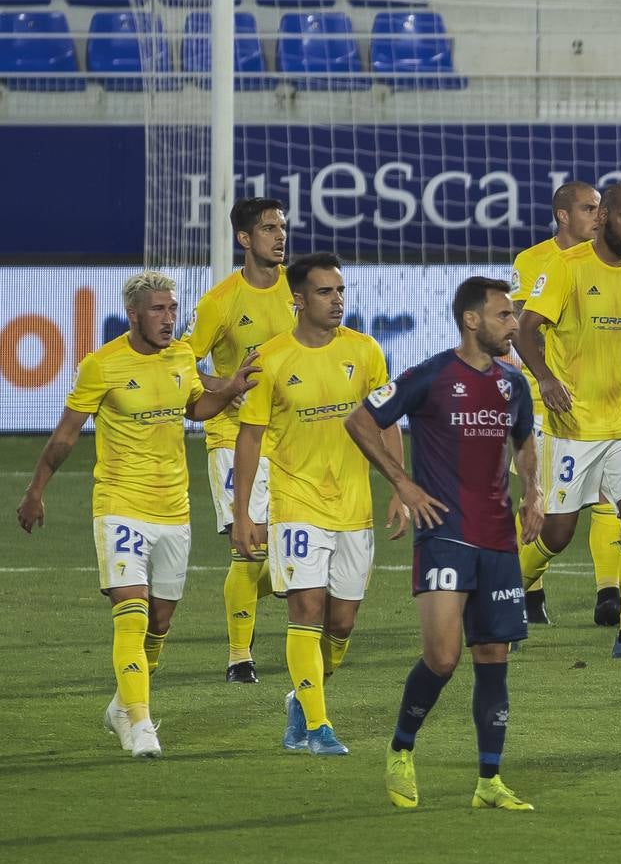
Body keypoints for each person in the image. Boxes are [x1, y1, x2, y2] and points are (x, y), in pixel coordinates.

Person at [16, 272, 257, 757]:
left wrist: (227, 389)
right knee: (131, 610)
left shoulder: (182, 357)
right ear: (134, 314)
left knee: (160, 622)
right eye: (158, 310)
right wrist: (35, 489)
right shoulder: (101, 365)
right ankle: (142, 723)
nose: (169, 319)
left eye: (172, 309)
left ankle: (122, 705)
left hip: (174, 509)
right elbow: (66, 435)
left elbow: (195, 407)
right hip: (119, 504)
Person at [345, 276, 542, 811]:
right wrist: (402, 483)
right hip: (445, 533)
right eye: (504, 315)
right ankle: (401, 750)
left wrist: (534, 492)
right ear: (471, 320)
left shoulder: (512, 383)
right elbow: (361, 419)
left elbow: (525, 438)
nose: (514, 325)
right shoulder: (431, 376)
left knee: (494, 654)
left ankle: (489, 781)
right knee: (442, 655)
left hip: (499, 536)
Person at [232, 252, 402, 755]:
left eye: (341, 291)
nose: (337, 301)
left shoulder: (366, 351)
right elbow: (249, 438)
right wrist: (244, 512)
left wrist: (398, 484)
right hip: (296, 501)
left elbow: (386, 419)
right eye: (326, 292)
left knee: (342, 622)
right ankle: (320, 725)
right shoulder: (271, 358)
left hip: (354, 505)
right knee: (305, 610)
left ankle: (302, 699)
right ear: (299, 300)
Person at [515, 182, 621, 659]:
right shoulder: (565, 269)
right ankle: (503, 594)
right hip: (575, 422)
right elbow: (524, 330)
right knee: (557, 532)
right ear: (604, 216)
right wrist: (544, 378)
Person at [184, 197, 295, 684]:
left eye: (283, 227)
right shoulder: (220, 302)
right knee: (247, 547)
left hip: (292, 438)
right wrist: (223, 387)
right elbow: (180, 365)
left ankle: (280, 586)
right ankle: (238, 656)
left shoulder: (301, 290)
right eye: (269, 229)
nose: (280, 236)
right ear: (245, 239)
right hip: (232, 436)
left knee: (290, 555)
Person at [509, 181, 621, 626]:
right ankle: (530, 592)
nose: (598, 216)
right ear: (563, 215)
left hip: (597, 402)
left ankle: (608, 593)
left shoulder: (610, 258)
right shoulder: (533, 260)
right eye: (588, 208)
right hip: (542, 401)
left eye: (600, 208)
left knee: (606, 494)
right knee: (539, 499)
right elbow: (521, 327)